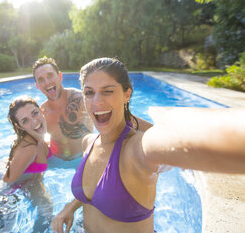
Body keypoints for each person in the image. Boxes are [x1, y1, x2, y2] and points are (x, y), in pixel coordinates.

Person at [51, 57, 245, 233]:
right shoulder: (88, 142)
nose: (96, 101)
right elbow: (91, 191)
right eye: (89, 93)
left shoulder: (137, 150)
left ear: (127, 94)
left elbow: (179, 136)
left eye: (108, 91)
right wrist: (69, 207)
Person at [33, 57, 152, 161]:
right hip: (57, 161)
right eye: (41, 79)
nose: (47, 82)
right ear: (37, 86)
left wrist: (154, 133)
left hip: (86, 157)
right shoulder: (40, 114)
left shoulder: (82, 99)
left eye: (50, 75)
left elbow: (121, 116)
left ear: (59, 76)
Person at [1, 96, 53, 232]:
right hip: (10, 192)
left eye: (35, 113)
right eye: (25, 120)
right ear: (20, 126)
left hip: (30, 183)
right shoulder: (29, 149)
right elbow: (4, 183)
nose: (34, 121)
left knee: (47, 210)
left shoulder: (41, 138)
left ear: (41, 110)